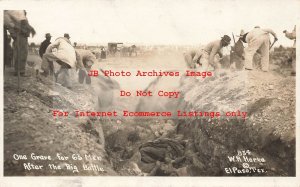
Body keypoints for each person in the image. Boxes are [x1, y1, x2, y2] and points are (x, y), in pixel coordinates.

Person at [4, 10, 36, 76]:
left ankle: (20, 71)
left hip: (23, 38)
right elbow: (11, 27)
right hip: (19, 38)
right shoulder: (15, 20)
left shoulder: (22, 20)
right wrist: (15, 35)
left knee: (23, 54)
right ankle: (19, 71)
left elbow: (27, 28)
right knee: (19, 54)